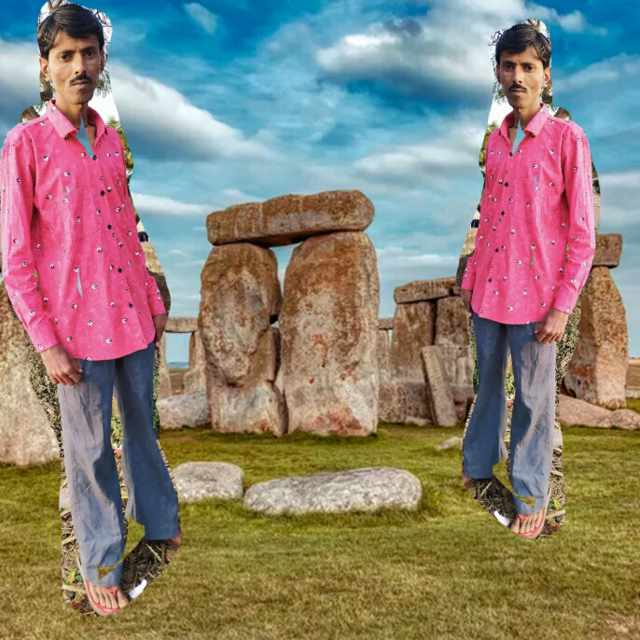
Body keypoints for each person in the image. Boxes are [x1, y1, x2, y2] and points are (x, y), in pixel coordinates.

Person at [0, 3, 180, 614]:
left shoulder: (108, 141)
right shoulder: (24, 144)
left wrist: (152, 300)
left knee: (143, 433)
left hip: (132, 317)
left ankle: (162, 526)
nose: (79, 66)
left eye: (89, 54)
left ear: (102, 60)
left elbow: (124, 229)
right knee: (90, 453)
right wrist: (46, 342)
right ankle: (101, 564)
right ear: (45, 65)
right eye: (66, 55)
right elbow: (15, 258)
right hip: (75, 333)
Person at [459, 23, 596, 538]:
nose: (517, 76)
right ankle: (478, 467)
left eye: (528, 67)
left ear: (545, 75)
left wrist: (564, 305)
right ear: (498, 73)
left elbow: (582, 232)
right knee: (487, 389)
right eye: (508, 67)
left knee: (535, 404)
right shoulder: (496, 141)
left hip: (539, 299)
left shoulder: (567, 138)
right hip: (488, 291)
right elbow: (489, 216)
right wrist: (472, 277)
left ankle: (531, 496)